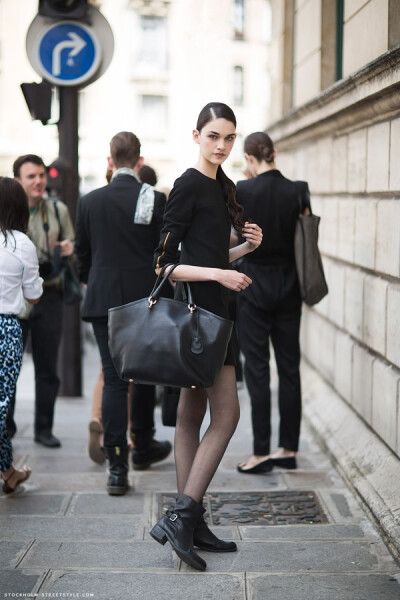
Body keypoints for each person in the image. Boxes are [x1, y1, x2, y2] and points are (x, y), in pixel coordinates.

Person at [149, 102, 262, 571]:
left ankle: (189, 521)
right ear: (196, 135)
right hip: (199, 314)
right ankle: (183, 513)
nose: (221, 145)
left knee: (190, 414)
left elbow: (211, 254)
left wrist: (244, 250)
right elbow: (164, 264)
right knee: (228, 414)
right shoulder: (188, 186)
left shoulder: (224, 188)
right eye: (213, 136)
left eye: (229, 138)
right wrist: (219, 274)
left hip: (215, 311)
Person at [75, 131, 172, 495]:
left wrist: (93, 281)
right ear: (140, 161)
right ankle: (143, 444)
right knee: (143, 372)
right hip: (143, 300)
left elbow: (82, 256)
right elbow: (163, 253)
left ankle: (118, 467)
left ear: (111, 161)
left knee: (115, 380)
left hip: (102, 301)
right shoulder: (154, 199)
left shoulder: (90, 201)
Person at [235, 131, 311, 475]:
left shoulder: (242, 190)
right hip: (290, 287)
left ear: (250, 159)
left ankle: (261, 452)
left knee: (257, 369)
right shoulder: (298, 189)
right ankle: (289, 448)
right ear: (275, 154)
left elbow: (235, 239)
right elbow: (307, 238)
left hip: (252, 286)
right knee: (290, 368)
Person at [7, 155, 75, 448]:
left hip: (49, 296)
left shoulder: (57, 210)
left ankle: (43, 429)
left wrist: (68, 250)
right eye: (31, 176)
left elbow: (72, 246)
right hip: (15, 300)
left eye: (41, 175)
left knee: (48, 368)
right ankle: (6, 428)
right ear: (18, 181)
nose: (38, 181)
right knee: (9, 367)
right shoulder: (8, 213)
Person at [0, 177, 43, 493]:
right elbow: (33, 295)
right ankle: (9, 472)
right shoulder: (22, 244)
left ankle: (9, 472)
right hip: (7, 331)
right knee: (1, 405)